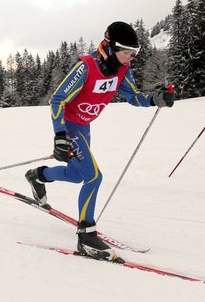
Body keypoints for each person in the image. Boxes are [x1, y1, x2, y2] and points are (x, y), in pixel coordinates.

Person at [25, 21, 174, 261]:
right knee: (94, 177)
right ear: (110, 47)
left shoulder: (121, 70)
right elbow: (58, 100)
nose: (130, 58)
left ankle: (38, 175)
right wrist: (60, 135)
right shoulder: (86, 67)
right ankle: (86, 236)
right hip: (70, 126)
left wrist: (155, 99)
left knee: (77, 175)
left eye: (134, 53)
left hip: (84, 127)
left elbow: (133, 96)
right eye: (126, 52)